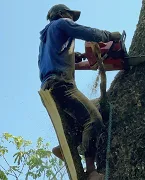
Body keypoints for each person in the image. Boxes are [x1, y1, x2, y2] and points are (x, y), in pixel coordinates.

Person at [38, 4, 121, 180]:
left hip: (48, 87)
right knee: (94, 119)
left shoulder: (45, 40)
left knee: (79, 124)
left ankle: (65, 147)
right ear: (61, 14)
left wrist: (74, 56)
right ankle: (91, 172)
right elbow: (88, 33)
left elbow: (53, 57)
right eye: (70, 16)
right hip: (62, 84)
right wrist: (110, 36)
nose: (72, 20)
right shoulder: (61, 23)